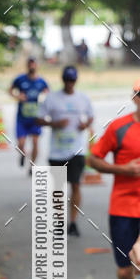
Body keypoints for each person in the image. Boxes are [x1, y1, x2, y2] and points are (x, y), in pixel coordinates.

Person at [88, 80, 140, 279]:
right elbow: (94, 159)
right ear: (134, 98)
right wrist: (123, 169)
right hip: (123, 207)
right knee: (124, 269)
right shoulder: (119, 128)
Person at [35, 66, 94, 236]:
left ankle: (73, 222)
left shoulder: (83, 98)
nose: (70, 83)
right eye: (67, 80)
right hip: (56, 151)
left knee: (75, 184)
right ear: (63, 80)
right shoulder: (51, 99)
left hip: (77, 150)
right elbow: (38, 119)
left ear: (76, 80)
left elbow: (91, 116)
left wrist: (85, 124)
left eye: (72, 80)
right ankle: (60, 221)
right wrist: (54, 124)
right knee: (59, 188)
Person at [9, 57, 49, 173]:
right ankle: (22, 154)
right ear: (27, 66)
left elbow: (48, 94)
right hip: (22, 118)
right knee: (21, 144)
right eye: (30, 64)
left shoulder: (41, 81)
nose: (32, 66)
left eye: (34, 64)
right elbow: (10, 90)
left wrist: (44, 98)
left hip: (35, 118)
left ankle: (32, 165)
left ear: (37, 66)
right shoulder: (20, 79)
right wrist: (17, 96)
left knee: (36, 142)